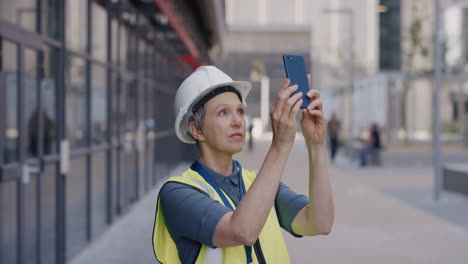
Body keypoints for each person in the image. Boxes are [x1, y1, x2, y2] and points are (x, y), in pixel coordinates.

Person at [152, 66, 334, 263]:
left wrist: (316, 144)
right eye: (223, 113)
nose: (238, 121)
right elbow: (242, 232)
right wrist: (280, 145)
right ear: (196, 130)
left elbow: (319, 223)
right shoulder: (177, 193)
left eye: (240, 111)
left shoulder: (258, 182)